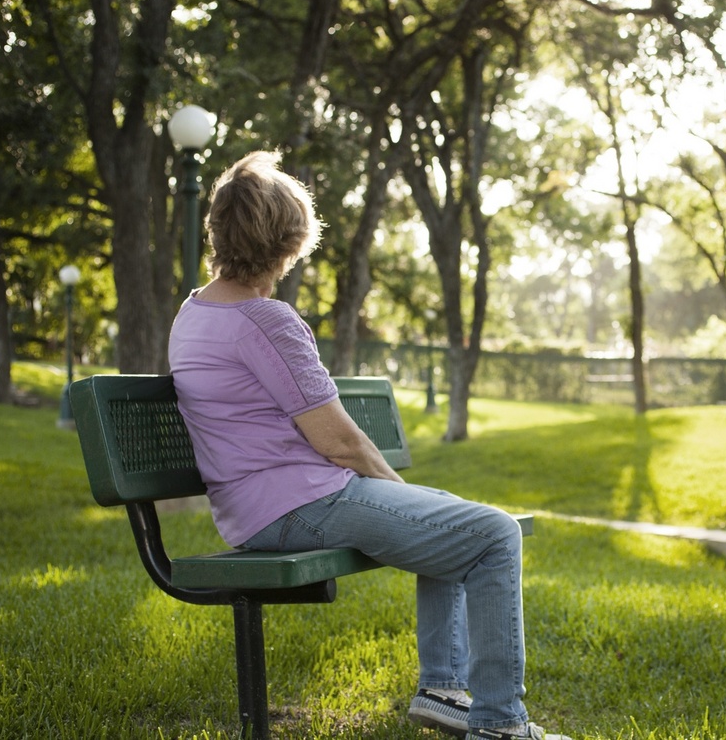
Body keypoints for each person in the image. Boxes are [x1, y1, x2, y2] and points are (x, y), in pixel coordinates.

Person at [167, 151, 570, 740]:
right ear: (289, 240)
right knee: (492, 533)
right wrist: (399, 491)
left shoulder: (194, 312)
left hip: (257, 509)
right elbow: (341, 441)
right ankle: (500, 725)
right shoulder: (266, 320)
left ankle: (443, 691)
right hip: (301, 504)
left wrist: (412, 500)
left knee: (452, 521)